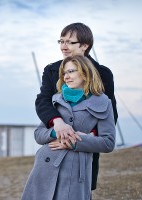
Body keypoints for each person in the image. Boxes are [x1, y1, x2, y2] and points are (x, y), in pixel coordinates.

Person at [35, 22, 118, 191]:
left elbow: (110, 112)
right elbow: (43, 101)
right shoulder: (51, 70)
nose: (63, 47)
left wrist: (85, 138)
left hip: (84, 152)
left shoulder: (103, 73)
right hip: (52, 151)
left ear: (85, 46)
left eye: (69, 42)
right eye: (61, 41)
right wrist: (57, 123)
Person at [21, 55, 116, 200]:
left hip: (75, 170)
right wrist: (56, 131)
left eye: (71, 71)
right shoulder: (56, 99)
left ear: (84, 73)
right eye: (64, 73)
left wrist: (74, 141)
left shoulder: (103, 102)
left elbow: (108, 142)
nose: (66, 77)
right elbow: (38, 134)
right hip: (45, 166)